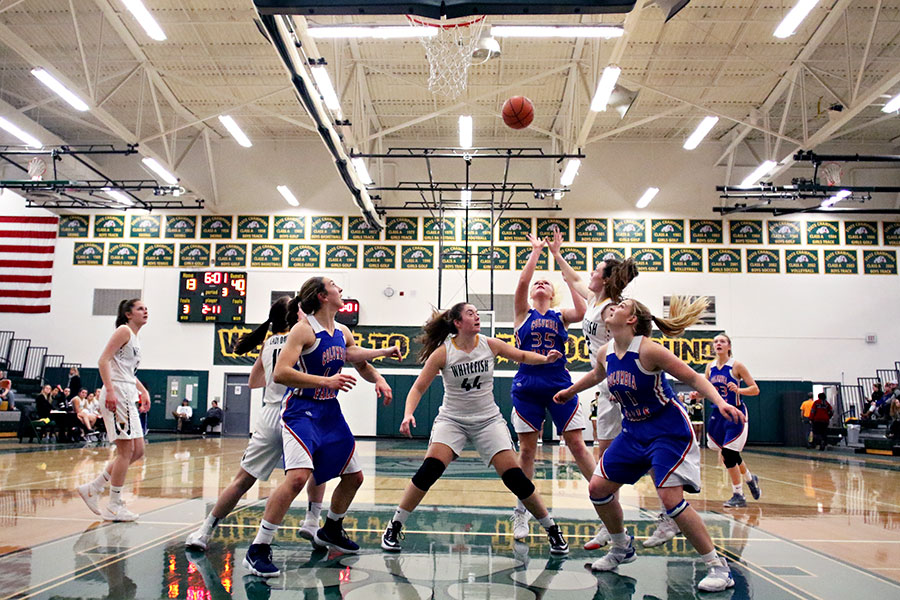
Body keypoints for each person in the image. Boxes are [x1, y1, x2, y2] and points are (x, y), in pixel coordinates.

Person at [553, 296, 745, 593]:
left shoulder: (649, 350)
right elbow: (596, 375)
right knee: (598, 488)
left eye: (621, 306)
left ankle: (718, 566)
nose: (614, 307)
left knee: (670, 499)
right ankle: (621, 547)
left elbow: (693, 378)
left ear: (632, 320)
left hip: (667, 430)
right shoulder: (606, 351)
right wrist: (570, 392)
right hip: (633, 431)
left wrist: (720, 402)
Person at [381, 302, 569, 556]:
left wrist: (545, 359)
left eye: (478, 314)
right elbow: (417, 388)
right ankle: (394, 526)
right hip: (453, 420)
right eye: (471, 313)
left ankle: (552, 529)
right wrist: (407, 414)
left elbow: (523, 356)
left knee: (515, 477)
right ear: (458, 323)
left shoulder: (490, 344)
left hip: (487, 420)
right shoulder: (443, 353)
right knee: (430, 469)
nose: (477, 317)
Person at [243, 278, 399, 577]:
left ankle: (331, 528)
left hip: (329, 411)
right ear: (322, 296)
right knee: (297, 478)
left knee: (354, 477)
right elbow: (281, 373)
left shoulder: (341, 331)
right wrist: (326, 381)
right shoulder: (303, 330)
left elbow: (354, 357)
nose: (341, 289)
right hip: (301, 410)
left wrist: (380, 370)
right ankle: (258, 547)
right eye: (334, 285)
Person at [549, 236, 643, 550]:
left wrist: (619, 380)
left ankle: (664, 508)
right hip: (603, 384)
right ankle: (611, 526)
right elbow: (574, 278)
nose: (590, 273)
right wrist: (557, 254)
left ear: (605, 279)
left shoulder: (611, 309)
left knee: (618, 456)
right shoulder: (593, 300)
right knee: (605, 460)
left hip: (615, 384)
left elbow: (627, 345)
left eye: (596, 269)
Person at [508, 233, 589, 540]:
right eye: (537, 283)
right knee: (527, 450)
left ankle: (603, 498)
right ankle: (521, 511)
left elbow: (583, 312)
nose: (540, 283)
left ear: (554, 293)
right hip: (528, 386)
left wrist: (563, 269)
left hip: (559, 385)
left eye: (546, 282)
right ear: (532, 293)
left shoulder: (561, 316)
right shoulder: (522, 314)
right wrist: (536, 252)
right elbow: (522, 283)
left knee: (577, 444)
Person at [77, 299, 150, 521]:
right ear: (128, 314)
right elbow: (103, 361)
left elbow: (127, 373)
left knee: (138, 451)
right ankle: (114, 505)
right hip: (117, 392)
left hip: (127, 392)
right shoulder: (123, 331)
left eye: (146, 308)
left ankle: (93, 488)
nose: (145, 311)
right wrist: (109, 390)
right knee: (125, 452)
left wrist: (143, 391)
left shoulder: (135, 338)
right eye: (140, 308)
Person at [705, 333, 761, 508]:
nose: (718, 343)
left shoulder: (736, 366)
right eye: (716, 341)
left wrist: (739, 390)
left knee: (728, 454)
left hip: (736, 414)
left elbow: (755, 389)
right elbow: (706, 389)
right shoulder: (710, 367)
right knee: (729, 453)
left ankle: (738, 494)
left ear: (729, 346)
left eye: (722, 341)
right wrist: (696, 395)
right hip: (717, 414)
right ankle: (750, 479)